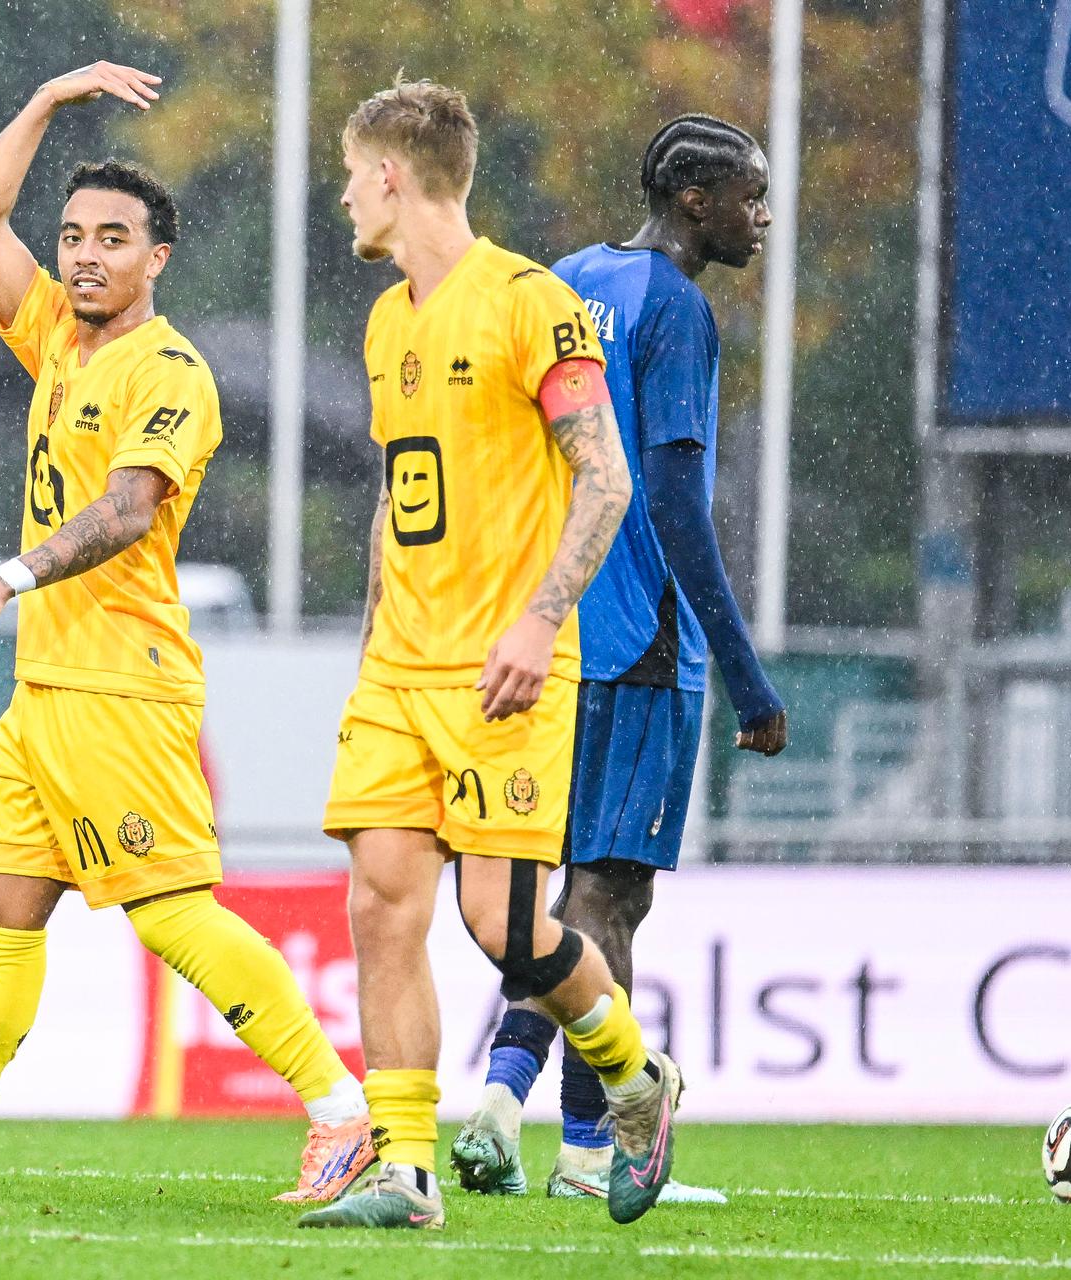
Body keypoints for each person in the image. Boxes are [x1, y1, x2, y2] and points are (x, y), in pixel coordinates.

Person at [0, 61, 370, 1203]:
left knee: (173, 914)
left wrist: (1, 578)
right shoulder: (58, 335)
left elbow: (126, 511)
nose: (86, 253)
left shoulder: (173, 372)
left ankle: (343, 1111)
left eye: (114, 236)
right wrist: (47, 103)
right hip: (45, 691)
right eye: (73, 234)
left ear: (157, 260)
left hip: (121, 686)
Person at [297, 77, 681, 1232]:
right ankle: (405, 1172)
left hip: (504, 672)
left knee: (503, 924)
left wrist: (539, 619)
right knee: (379, 905)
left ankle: (636, 1078)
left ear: (392, 176)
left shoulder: (532, 303)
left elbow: (606, 478)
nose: (344, 197)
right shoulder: (383, 320)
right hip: (400, 675)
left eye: (351, 174)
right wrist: (373, 641)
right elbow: (394, 495)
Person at [450, 114, 789, 1201]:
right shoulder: (678, 310)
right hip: (639, 639)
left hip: (545, 629)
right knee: (610, 896)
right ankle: (591, 1153)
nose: (764, 218)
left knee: (551, 893)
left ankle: (501, 1102)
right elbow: (678, 506)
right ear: (697, 200)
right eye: (752, 196)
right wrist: (745, 672)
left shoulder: (568, 279)